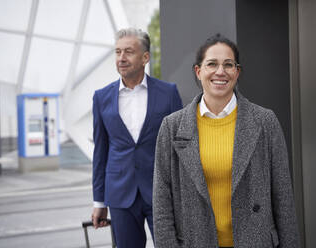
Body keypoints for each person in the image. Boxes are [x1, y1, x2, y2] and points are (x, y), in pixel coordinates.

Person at [153, 33, 300, 248]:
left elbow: (283, 197)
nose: (220, 72)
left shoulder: (265, 122)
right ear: (198, 71)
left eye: (228, 65)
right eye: (212, 64)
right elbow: (161, 204)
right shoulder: (172, 127)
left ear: (237, 72)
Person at [91, 28, 183, 248]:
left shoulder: (168, 93)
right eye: (118, 52)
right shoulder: (101, 97)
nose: (121, 58)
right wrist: (99, 201)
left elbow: (181, 146)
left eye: (128, 52)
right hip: (120, 194)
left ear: (145, 57)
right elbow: (100, 152)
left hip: (162, 193)